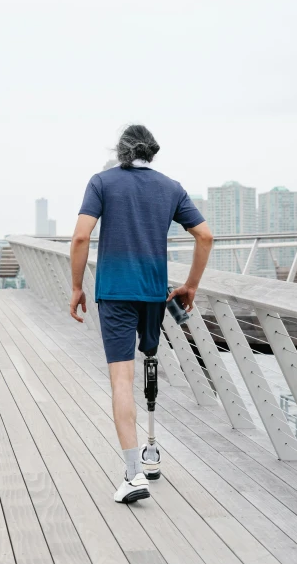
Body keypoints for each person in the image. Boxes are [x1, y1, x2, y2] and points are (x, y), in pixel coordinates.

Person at [70, 125, 213, 503]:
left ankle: (134, 474)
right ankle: (152, 450)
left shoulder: (102, 182)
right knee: (150, 356)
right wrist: (191, 285)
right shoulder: (171, 187)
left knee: (121, 379)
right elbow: (205, 235)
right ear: (152, 152)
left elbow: (81, 236)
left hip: (116, 293)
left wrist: (75, 287)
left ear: (120, 151)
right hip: (153, 292)